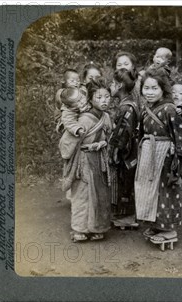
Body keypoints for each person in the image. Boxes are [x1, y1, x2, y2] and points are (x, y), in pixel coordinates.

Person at [134, 68, 182, 245]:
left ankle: (169, 230)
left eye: (154, 88)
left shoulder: (170, 109)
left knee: (165, 190)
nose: (150, 92)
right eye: (146, 88)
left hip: (165, 155)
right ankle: (156, 224)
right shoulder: (146, 108)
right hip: (148, 153)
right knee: (150, 190)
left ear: (163, 90)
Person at [60, 79, 113, 242]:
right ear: (90, 99)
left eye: (107, 97)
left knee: (100, 194)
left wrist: (104, 144)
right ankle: (80, 229)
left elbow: (110, 135)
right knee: (82, 194)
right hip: (83, 159)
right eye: (99, 97)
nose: (104, 101)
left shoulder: (106, 116)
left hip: (100, 159)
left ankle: (98, 227)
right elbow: (67, 141)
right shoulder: (82, 118)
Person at [109, 68, 141, 229]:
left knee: (125, 181)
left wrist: (114, 151)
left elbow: (122, 134)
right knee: (127, 180)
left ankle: (127, 216)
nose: (110, 86)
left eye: (112, 83)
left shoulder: (125, 108)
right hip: (131, 150)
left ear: (119, 85)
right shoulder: (129, 103)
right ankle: (127, 214)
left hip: (126, 152)